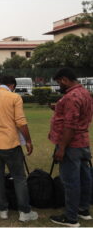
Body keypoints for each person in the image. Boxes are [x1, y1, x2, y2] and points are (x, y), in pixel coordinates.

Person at [0, 75, 38, 222]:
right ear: (12, 85)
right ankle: (24, 211)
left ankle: (2, 209)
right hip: (10, 143)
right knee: (19, 178)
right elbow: (20, 121)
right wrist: (29, 140)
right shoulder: (15, 97)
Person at [48, 68, 93, 227]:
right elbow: (78, 115)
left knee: (71, 181)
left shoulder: (71, 97)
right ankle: (83, 209)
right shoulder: (84, 92)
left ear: (65, 80)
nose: (58, 85)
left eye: (59, 82)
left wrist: (61, 148)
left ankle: (71, 217)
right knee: (84, 177)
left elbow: (70, 126)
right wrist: (58, 108)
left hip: (71, 145)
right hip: (83, 142)